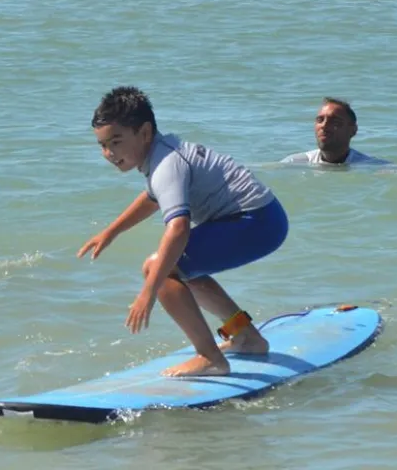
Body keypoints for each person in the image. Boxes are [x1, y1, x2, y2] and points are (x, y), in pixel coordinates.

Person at [77, 86, 289, 377]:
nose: (109, 153)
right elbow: (153, 197)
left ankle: (210, 357)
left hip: (255, 222)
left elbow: (178, 229)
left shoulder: (166, 165)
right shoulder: (162, 153)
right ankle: (246, 337)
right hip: (264, 219)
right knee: (180, 269)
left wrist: (149, 291)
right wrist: (111, 232)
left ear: (145, 132)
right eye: (103, 145)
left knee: (159, 267)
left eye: (116, 141)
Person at [281, 98, 388, 166]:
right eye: (320, 120)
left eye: (335, 122)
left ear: (353, 130)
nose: (324, 125)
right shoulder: (293, 164)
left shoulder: (371, 167)